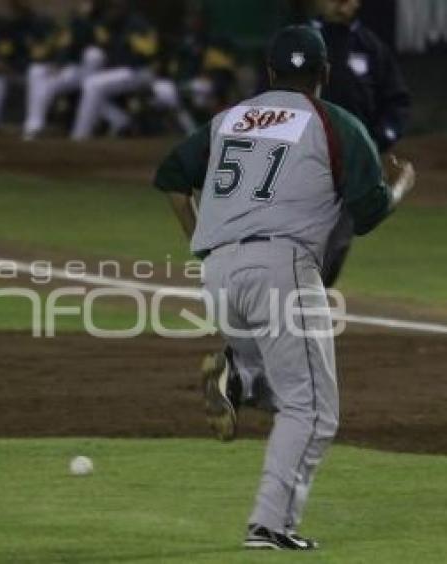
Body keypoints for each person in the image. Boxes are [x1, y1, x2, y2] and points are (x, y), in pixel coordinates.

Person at [153, 26, 415, 550]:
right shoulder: (333, 122)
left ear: (269, 72)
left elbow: (171, 179)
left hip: (220, 274)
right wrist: (401, 184)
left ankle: (242, 380)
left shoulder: (228, 119)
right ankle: (269, 525)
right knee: (313, 409)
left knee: (284, 387)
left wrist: (204, 243)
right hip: (283, 270)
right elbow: (366, 213)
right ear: (325, 74)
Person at [314, 0, 411, 286]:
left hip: (353, 160)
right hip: (305, 152)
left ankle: (304, 298)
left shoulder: (371, 48)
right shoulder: (301, 41)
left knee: (339, 238)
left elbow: (397, 102)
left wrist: (379, 140)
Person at [70, 0, 158, 140]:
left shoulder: (138, 25)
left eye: (117, 6)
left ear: (126, 7)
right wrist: (83, 16)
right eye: (112, 6)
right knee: (89, 86)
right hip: (124, 71)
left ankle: (79, 138)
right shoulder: (112, 24)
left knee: (92, 85)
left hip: (140, 72)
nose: (113, 10)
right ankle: (120, 120)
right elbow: (89, 38)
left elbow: (149, 53)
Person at [22, 0, 107, 140]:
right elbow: (57, 49)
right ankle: (33, 126)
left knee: (48, 83)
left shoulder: (91, 23)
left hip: (89, 71)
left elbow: (90, 45)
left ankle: (34, 127)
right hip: (74, 69)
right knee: (36, 71)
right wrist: (55, 63)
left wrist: (59, 64)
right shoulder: (66, 23)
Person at [0, 0, 55, 134]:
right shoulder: (10, 27)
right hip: (19, 71)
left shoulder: (41, 26)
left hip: (42, 74)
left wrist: (16, 67)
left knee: (36, 72)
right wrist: (2, 62)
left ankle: (34, 126)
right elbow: (4, 51)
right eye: (15, 5)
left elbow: (41, 56)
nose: (17, 8)